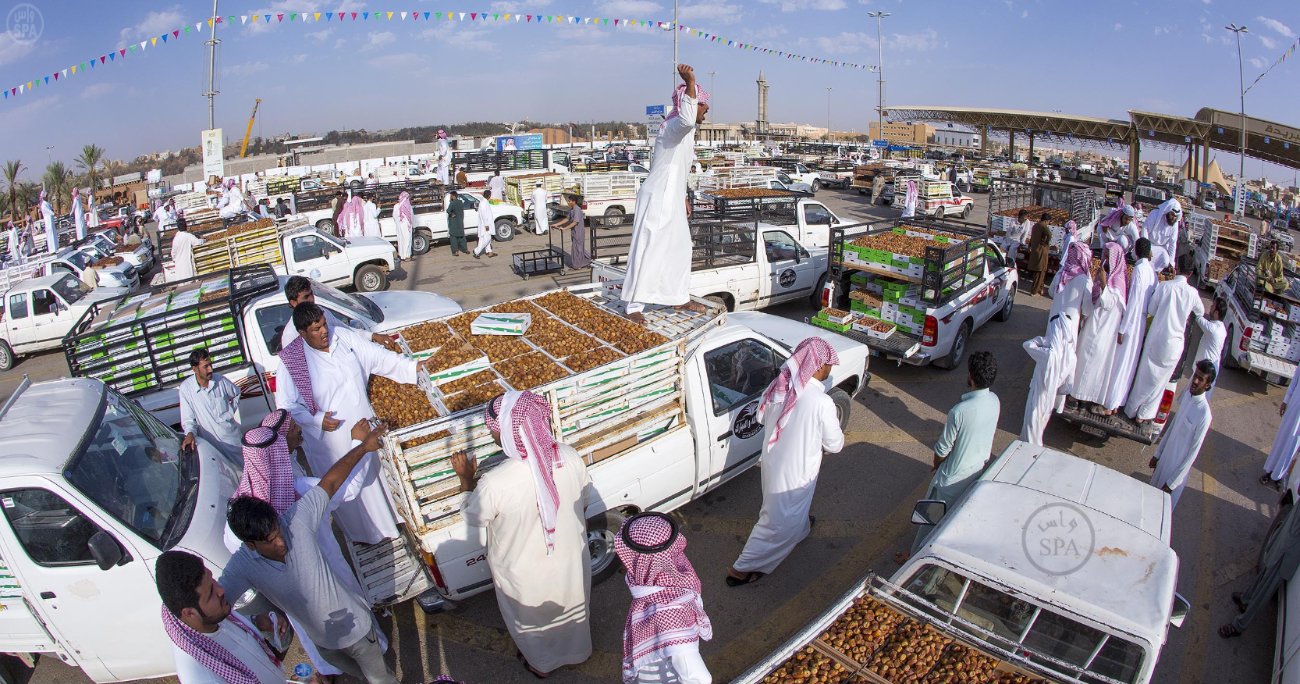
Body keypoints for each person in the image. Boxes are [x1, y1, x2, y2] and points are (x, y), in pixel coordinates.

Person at [223, 420, 399, 684]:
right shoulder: (295, 497)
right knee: (356, 670)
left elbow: (330, 482)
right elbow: (223, 600)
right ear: (250, 545)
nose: (281, 542)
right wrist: (266, 615)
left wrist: (362, 447)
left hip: (352, 622)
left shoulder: (295, 517)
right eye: (269, 541)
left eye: (277, 532)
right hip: (321, 636)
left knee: (377, 672)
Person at [450, 391, 593, 678]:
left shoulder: (496, 481)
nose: (493, 435)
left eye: (494, 429)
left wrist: (466, 479)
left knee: (532, 622)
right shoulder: (568, 455)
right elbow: (584, 497)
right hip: (568, 556)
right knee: (574, 605)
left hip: (524, 571)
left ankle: (542, 666)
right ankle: (578, 655)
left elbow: (474, 516)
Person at [275, 302, 433, 543]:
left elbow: (378, 358)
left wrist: (412, 367)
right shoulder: (291, 362)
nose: (324, 332)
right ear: (302, 333)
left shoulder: (344, 338)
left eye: (324, 325)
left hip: (366, 427)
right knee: (350, 491)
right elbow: (287, 406)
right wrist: (316, 420)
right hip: (332, 441)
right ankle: (367, 535)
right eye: (316, 329)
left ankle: (396, 522)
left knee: (380, 478)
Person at [727, 337, 845, 585]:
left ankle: (801, 530)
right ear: (817, 366)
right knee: (776, 522)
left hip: (773, 463)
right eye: (828, 365)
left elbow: (761, 418)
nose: (830, 371)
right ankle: (741, 568)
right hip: (797, 471)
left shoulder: (779, 387)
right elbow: (835, 444)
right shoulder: (821, 402)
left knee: (785, 511)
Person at [620, 63, 712, 325]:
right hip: (659, 196)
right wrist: (691, 83)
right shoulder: (674, 126)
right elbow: (685, 118)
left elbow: (676, 167)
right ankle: (633, 305)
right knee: (651, 247)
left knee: (681, 246)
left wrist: (682, 195)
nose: (706, 110)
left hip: (671, 195)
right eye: (703, 105)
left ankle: (677, 296)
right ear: (691, 104)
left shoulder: (683, 130)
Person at [155, 550, 287, 684]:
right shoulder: (204, 678)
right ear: (189, 613)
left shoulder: (208, 617)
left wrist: (255, 621)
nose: (221, 590)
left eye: (212, 580)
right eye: (211, 593)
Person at [913, 351, 1000, 552]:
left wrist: (936, 465)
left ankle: (914, 555)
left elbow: (942, 449)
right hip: (976, 471)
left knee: (929, 522)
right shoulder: (994, 400)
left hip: (950, 479)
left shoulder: (959, 411)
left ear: (971, 376)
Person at [614, 512, 713, 684]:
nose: (622, 559)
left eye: (625, 554)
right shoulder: (675, 574)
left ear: (643, 561)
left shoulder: (667, 612)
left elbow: (699, 678)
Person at [1125, 257, 1204, 425]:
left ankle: (1131, 409)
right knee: (1160, 383)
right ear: (1190, 274)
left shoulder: (1165, 287)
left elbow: (1151, 309)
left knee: (1144, 376)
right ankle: (1143, 415)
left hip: (1156, 340)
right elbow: (1201, 311)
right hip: (1174, 345)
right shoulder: (1192, 293)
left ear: (1175, 269)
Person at [1220, 499, 1300, 639]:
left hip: (1288, 549)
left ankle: (1239, 625)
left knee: (1265, 590)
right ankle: (1246, 599)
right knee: (1264, 572)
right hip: (1286, 536)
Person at [1148, 360, 1215, 509]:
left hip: (1174, 472)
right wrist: (1157, 454)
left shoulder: (1204, 414)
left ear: (1207, 385)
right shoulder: (1187, 396)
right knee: (1148, 502)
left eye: (1200, 379)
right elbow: (1172, 427)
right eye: (1195, 376)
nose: (1195, 381)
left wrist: (1172, 483)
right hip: (1163, 461)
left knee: (1160, 513)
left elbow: (1193, 453)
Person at [1102, 238, 1158, 416]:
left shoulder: (1140, 270)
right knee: (1129, 364)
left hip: (1132, 321)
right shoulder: (1152, 271)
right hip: (1140, 321)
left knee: (1121, 363)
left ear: (1135, 251)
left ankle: (1111, 403)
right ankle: (1118, 401)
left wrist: (1122, 328)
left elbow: (1133, 300)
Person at [1073, 243, 1128, 411]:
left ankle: (1084, 400)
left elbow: (1107, 302)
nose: (1103, 258)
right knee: (1083, 361)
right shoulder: (1108, 274)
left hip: (1103, 331)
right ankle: (1076, 395)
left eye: (1106, 255)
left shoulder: (1118, 281)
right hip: (1094, 325)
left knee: (1092, 364)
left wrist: (1103, 282)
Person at [1020, 313, 1077, 446]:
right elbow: (1068, 386)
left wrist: (1042, 340)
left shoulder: (1048, 354)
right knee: (1038, 428)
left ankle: (1029, 457)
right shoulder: (1072, 356)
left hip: (1037, 396)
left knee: (1031, 430)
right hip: (1050, 398)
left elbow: (1027, 345)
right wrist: (1054, 387)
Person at [179, 348, 243, 461]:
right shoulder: (186, 389)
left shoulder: (220, 381)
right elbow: (188, 419)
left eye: (210, 365)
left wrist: (228, 413)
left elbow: (236, 394)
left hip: (232, 440)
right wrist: (190, 434)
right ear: (195, 369)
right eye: (205, 367)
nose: (210, 369)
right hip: (211, 446)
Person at [1262, 370, 1300, 489]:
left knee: (1292, 448)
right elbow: (1294, 381)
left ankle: (1279, 476)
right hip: (1293, 409)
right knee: (1281, 440)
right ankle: (1269, 471)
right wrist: (1285, 401)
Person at [1048, 241, 1095, 338]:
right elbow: (1086, 308)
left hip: (1053, 319)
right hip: (1070, 322)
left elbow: (1051, 292)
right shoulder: (1085, 280)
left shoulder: (1061, 273)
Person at [551, 192, 591, 269]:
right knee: (577, 248)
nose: (568, 202)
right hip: (574, 232)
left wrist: (565, 228)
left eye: (569, 201)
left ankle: (581, 263)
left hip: (579, 232)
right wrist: (557, 224)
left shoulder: (577, 210)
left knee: (578, 248)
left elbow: (575, 222)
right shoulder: (572, 210)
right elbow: (567, 219)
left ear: (574, 201)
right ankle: (580, 262)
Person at [1143, 198, 1182, 273]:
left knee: (1166, 260)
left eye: (1175, 216)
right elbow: (1145, 229)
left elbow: (1172, 243)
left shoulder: (1175, 224)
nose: (1173, 218)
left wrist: (1171, 263)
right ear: (1167, 211)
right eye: (1172, 215)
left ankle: (1154, 274)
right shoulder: (1155, 214)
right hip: (1148, 244)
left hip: (1161, 249)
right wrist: (1147, 249)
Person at [1026, 211, 1053, 296]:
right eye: (1048, 222)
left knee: (1040, 271)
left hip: (1035, 250)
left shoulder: (1035, 226)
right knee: (1040, 271)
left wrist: (1030, 246)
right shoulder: (1043, 226)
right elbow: (1049, 234)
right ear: (1046, 221)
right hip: (1041, 251)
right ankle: (1033, 291)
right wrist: (1046, 243)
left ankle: (1040, 289)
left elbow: (1032, 237)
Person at [473, 189, 497, 259]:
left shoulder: (484, 201)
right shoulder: (484, 203)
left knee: (483, 239)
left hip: (485, 224)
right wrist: (486, 225)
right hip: (485, 225)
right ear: (489, 195)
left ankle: (489, 252)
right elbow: (483, 215)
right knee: (487, 238)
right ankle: (476, 251)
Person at [393, 190, 414, 263]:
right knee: (407, 240)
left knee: (401, 240)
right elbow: (411, 217)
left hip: (399, 226)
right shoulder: (408, 206)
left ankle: (402, 255)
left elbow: (394, 217)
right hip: (407, 226)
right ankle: (407, 256)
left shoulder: (396, 206)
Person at [446, 190, 468, 256]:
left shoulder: (452, 203)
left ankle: (455, 251)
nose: (450, 197)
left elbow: (448, 210)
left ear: (453, 196)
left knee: (453, 237)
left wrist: (452, 214)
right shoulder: (460, 202)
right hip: (460, 221)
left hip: (454, 223)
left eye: (450, 196)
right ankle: (465, 249)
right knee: (462, 236)